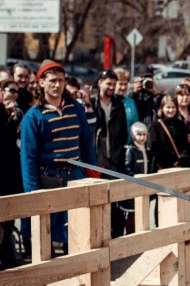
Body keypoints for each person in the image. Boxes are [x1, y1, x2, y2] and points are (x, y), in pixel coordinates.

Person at [20, 60, 97, 256]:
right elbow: (28, 157)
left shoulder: (75, 108)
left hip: (76, 175)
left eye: (60, 80)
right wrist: (32, 192)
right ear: (41, 83)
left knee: (79, 229)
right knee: (47, 232)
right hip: (50, 178)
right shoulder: (33, 116)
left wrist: (92, 173)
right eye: (52, 80)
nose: (57, 85)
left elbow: (87, 142)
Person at [91, 70, 129, 239]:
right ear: (100, 82)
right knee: (96, 199)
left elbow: (122, 133)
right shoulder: (91, 103)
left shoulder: (118, 105)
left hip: (115, 158)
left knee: (114, 200)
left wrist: (117, 154)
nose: (112, 88)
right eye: (109, 84)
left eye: (114, 84)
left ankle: (114, 235)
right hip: (96, 158)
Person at [0, 89, 23, 269]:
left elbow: (8, 142)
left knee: (7, 221)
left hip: (7, 173)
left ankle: (8, 256)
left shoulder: (4, 111)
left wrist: (14, 118)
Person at [120, 122, 152, 235]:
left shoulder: (147, 150)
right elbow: (127, 168)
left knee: (143, 214)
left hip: (145, 187)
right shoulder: (130, 150)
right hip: (134, 189)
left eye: (144, 134)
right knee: (132, 216)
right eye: (139, 134)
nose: (142, 137)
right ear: (133, 135)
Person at [148, 96, 190, 170]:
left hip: (180, 165)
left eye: (173, 107)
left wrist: (180, 160)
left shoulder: (180, 124)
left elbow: (184, 145)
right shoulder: (156, 125)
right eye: (168, 107)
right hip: (163, 165)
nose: (171, 110)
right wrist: (169, 162)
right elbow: (155, 146)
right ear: (162, 108)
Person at [174, 84, 190, 167]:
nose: (185, 98)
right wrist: (184, 138)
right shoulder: (172, 115)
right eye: (181, 95)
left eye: (187, 95)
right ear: (176, 96)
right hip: (177, 157)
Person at [113, 68, 139, 143]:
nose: (123, 87)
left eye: (125, 84)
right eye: (120, 84)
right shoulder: (108, 101)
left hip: (128, 144)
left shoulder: (130, 102)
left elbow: (135, 124)